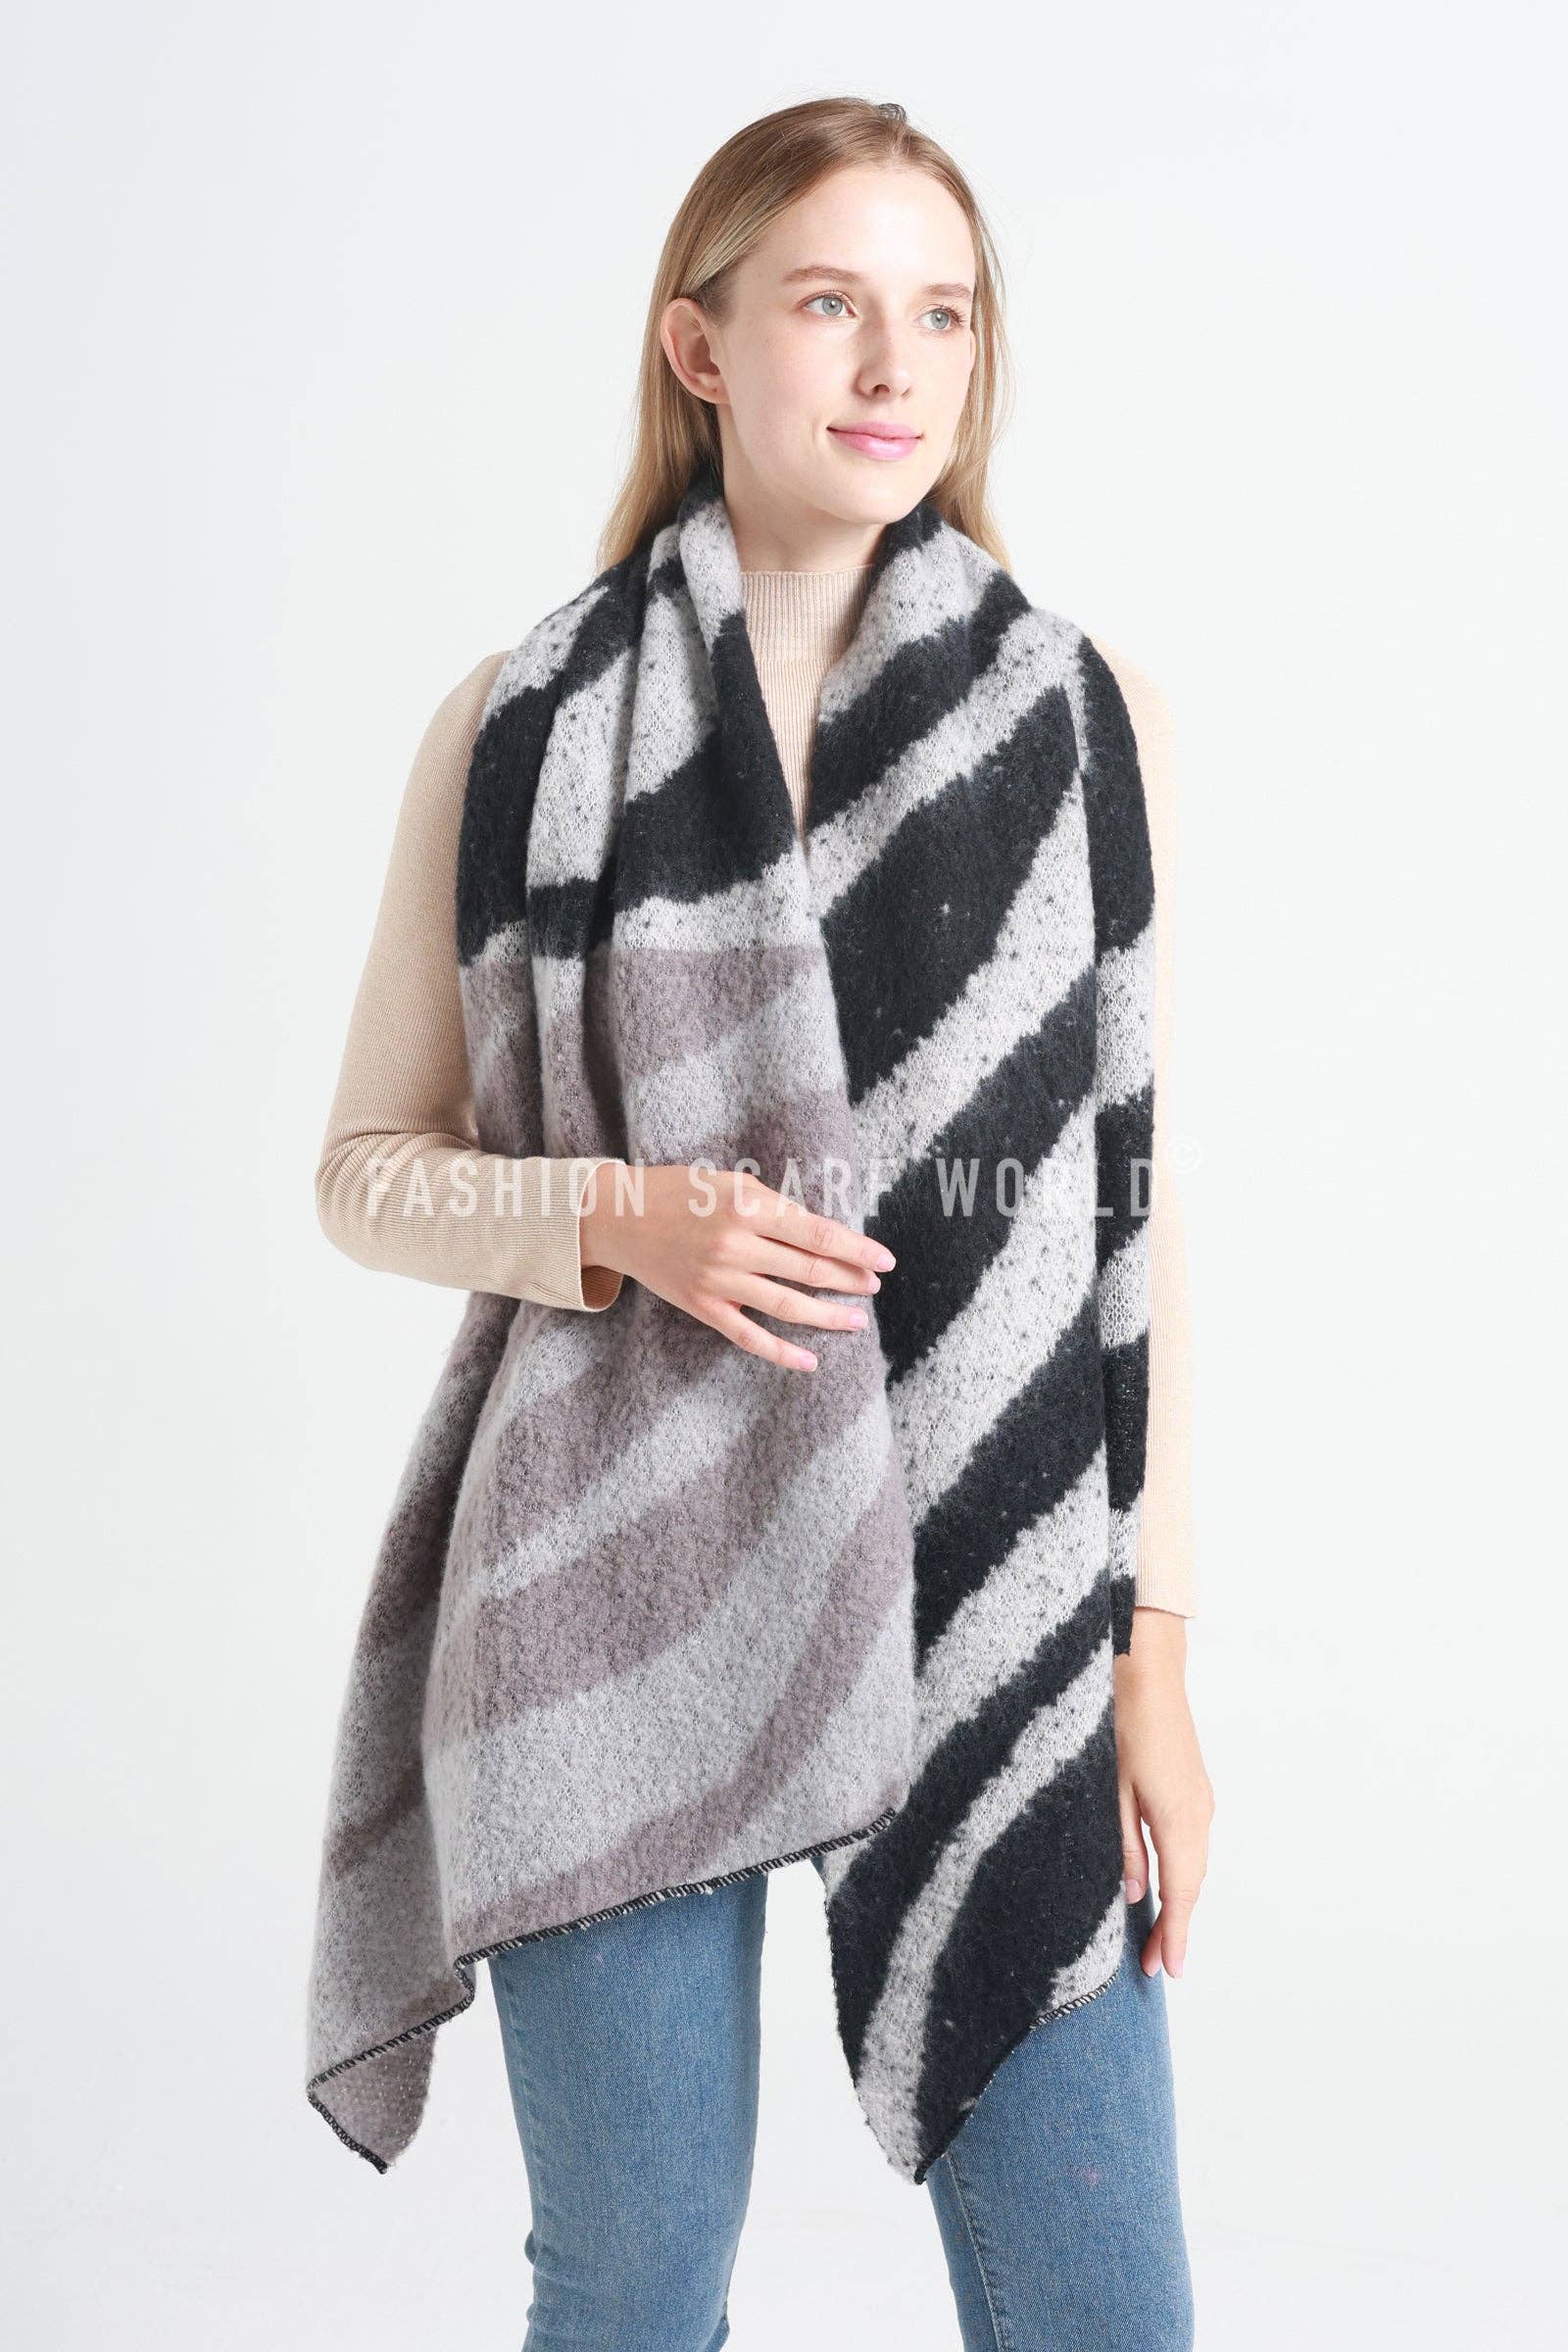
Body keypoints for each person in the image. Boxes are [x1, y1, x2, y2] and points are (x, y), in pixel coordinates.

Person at [315, 95, 1212, 2352]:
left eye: (944, 314)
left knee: (1105, 2308)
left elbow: (1124, 1212)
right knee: (629, 2292)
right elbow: (366, 1169)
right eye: (830, 303)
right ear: (698, 346)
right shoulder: (518, 726)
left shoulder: (1075, 716)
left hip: (990, 1583)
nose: (895, 365)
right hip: (606, 1592)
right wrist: (616, 1221)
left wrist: (1153, 1660)